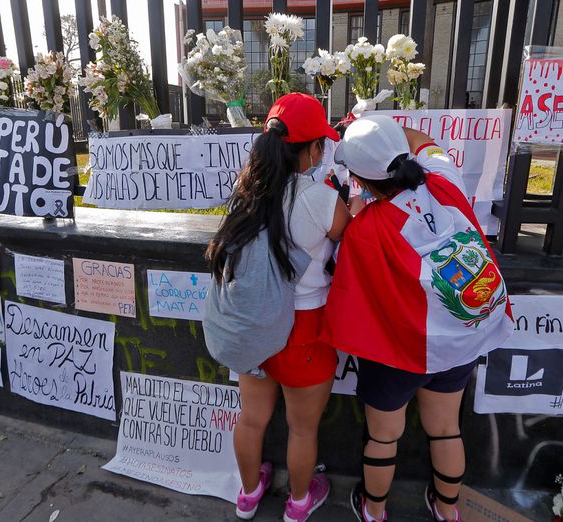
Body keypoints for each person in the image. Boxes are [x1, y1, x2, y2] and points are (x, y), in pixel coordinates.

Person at [320, 115, 514, 522]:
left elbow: (343, 276)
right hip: (461, 337)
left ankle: (374, 511)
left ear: (360, 181)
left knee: (383, 436)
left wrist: (355, 216)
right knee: (445, 428)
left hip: (399, 350)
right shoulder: (444, 177)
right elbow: (425, 141)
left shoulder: (365, 230)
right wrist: (373, 125)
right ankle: (447, 509)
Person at [205, 92, 351, 522]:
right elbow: (348, 233)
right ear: (311, 149)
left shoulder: (244, 195)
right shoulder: (322, 197)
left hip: (252, 325)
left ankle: (248, 495)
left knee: (251, 419)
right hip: (305, 328)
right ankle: (300, 503)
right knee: (302, 428)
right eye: (321, 144)